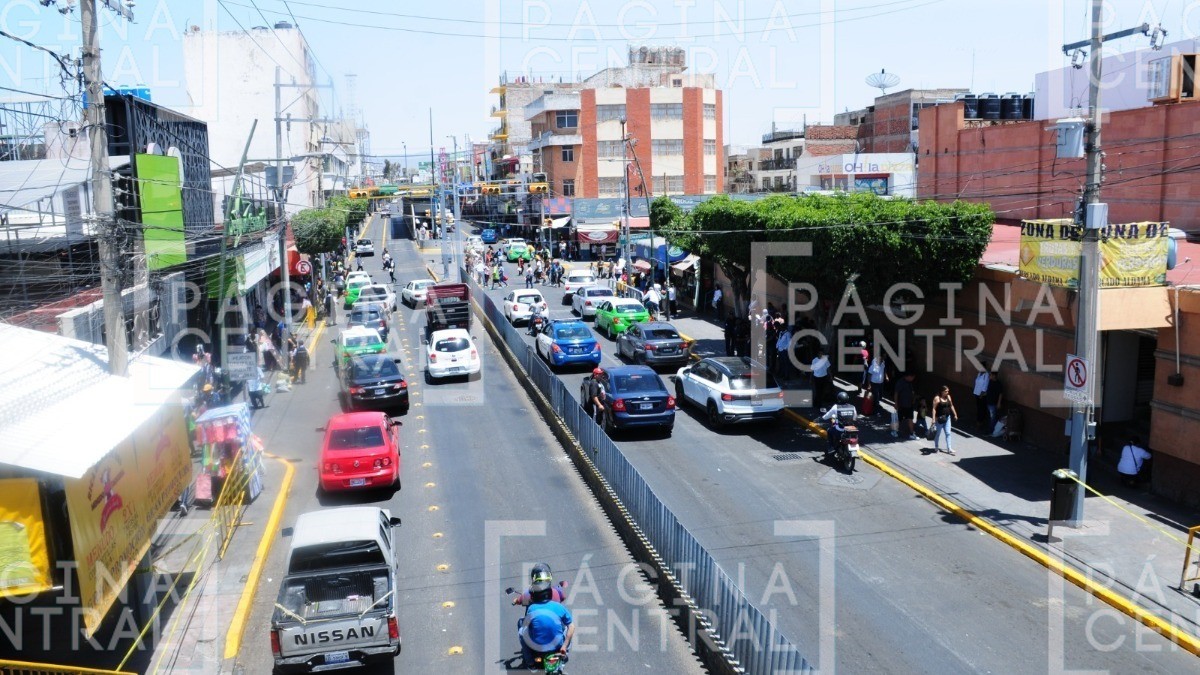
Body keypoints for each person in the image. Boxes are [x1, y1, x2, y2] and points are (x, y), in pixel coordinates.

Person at [519, 581, 574, 667]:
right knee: (568, 628)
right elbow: (571, 626)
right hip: (558, 646)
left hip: (538, 648)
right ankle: (564, 653)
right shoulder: (559, 606)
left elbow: (527, 626)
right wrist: (564, 646)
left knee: (521, 632)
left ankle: (530, 663)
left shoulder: (531, 609)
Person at [820, 391, 858, 456]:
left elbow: (827, 416)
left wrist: (822, 418)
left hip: (839, 431)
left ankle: (831, 447)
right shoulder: (853, 407)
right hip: (850, 431)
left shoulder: (836, 407)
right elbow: (855, 418)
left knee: (829, 430)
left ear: (838, 399)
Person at [931, 385, 958, 455]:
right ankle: (936, 447)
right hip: (939, 419)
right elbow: (934, 409)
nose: (947, 392)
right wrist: (933, 419)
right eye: (946, 391)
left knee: (948, 433)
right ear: (942, 391)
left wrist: (955, 414)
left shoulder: (948, 397)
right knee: (937, 434)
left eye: (948, 391)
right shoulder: (937, 398)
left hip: (947, 418)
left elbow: (951, 405)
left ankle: (949, 448)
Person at [894, 372, 917, 439]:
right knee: (898, 419)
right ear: (909, 376)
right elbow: (896, 393)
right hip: (902, 404)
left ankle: (912, 433)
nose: (913, 379)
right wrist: (896, 403)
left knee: (910, 419)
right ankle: (894, 431)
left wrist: (913, 400)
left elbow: (912, 392)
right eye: (912, 378)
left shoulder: (910, 383)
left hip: (909, 405)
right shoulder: (900, 382)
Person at [973, 364, 991, 432]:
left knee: (981, 410)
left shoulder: (986, 375)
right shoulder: (979, 374)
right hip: (976, 393)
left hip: (982, 395)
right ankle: (978, 423)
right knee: (978, 409)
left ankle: (979, 424)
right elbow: (976, 383)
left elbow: (985, 385)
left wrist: (981, 394)